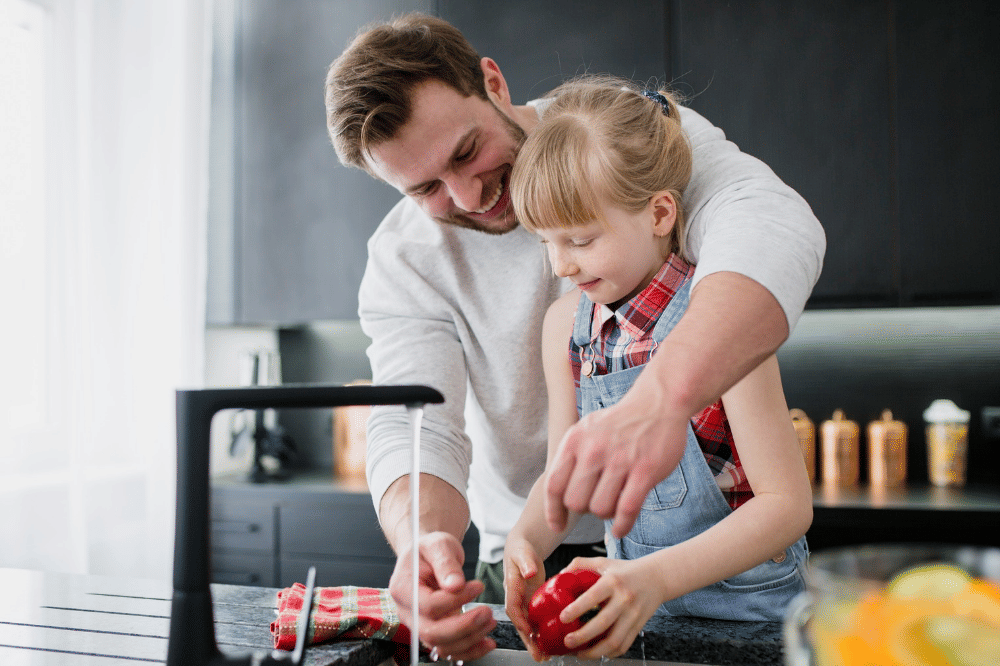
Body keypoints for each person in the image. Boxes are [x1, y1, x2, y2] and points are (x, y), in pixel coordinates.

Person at [324, 13, 824, 661]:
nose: (470, 197)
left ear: (493, 84)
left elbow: (767, 222)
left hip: (731, 589)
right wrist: (424, 542)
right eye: (425, 188)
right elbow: (418, 426)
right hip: (550, 561)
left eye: (466, 151)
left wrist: (662, 400)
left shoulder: (621, 135)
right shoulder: (407, 262)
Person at [502, 77, 813, 660]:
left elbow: (786, 508)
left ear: (660, 213)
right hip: (636, 618)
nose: (561, 265)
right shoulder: (564, 328)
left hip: (753, 622)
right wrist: (527, 535)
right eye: (546, 242)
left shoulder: (722, 316)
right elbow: (564, 475)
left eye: (582, 239)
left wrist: (655, 579)